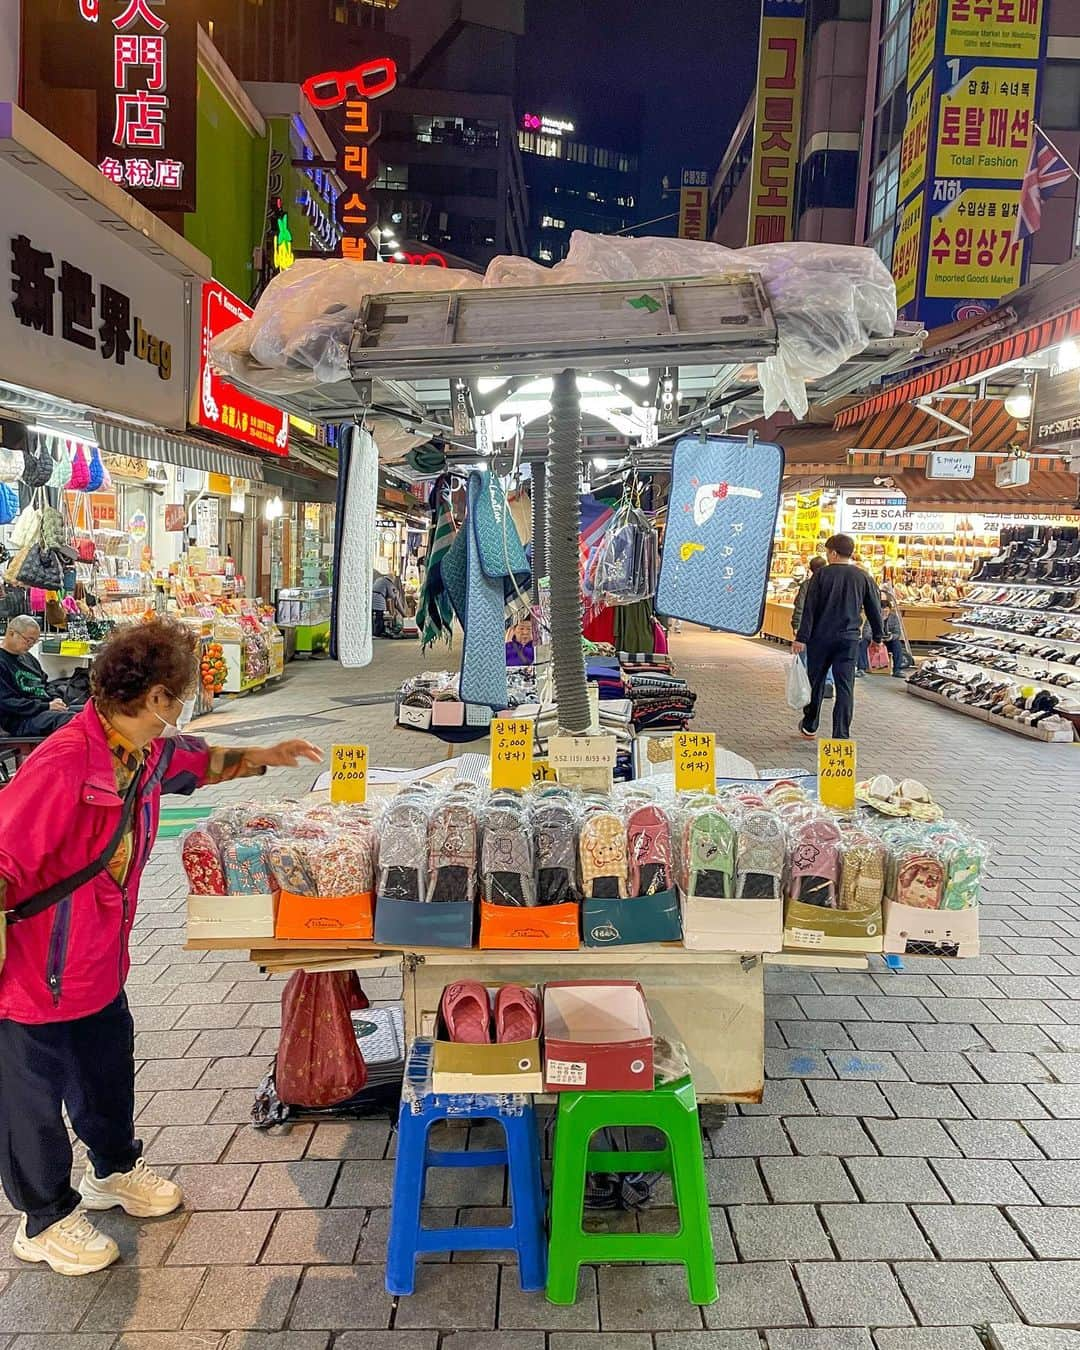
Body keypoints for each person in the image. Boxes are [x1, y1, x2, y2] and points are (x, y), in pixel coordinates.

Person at [0, 619, 323, 1276]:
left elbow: (194, 762)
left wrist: (266, 755)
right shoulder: (64, 764)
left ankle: (112, 1171)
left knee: (106, 1075)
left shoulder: (137, 750)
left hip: (97, 964)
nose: (179, 711)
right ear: (153, 697)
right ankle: (44, 1219)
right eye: (176, 696)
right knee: (31, 1101)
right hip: (36, 975)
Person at [793, 533, 884, 740]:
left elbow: (810, 609)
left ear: (833, 553)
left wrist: (801, 637)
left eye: (827, 552)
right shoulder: (863, 577)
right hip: (849, 639)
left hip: (820, 639)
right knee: (845, 687)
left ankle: (810, 724)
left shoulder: (821, 575)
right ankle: (841, 735)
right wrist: (878, 637)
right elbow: (874, 610)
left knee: (815, 682)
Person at [0, 617, 81, 738]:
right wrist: (46, 706)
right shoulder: (2, 662)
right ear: (11, 633)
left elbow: (46, 683)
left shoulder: (28, 658)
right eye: (28, 640)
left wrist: (56, 699)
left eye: (35, 642)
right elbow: (8, 702)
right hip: (22, 719)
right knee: (75, 720)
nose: (31, 645)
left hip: (45, 709)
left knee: (91, 711)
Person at [791, 557, 832, 700]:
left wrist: (797, 625)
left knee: (804, 655)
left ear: (810, 568)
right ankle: (827, 682)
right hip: (827, 627)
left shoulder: (807, 585)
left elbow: (800, 606)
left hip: (808, 627)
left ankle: (804, 683)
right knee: (827, 656)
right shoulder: (831, 584)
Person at [858, 600, 906, 678]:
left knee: (897, 644)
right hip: (873, 640)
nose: (884, 613)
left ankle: (897, 669)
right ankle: (861, 669)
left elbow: (897, 633)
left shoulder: (894, 618)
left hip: (887, 641)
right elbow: (866, 633)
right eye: (882, 611)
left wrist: (891, 637)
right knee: (862, 643)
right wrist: (876, 639)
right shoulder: (872, 617)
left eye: (886, 611)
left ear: (890, 610)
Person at [372, 570, 397, 638]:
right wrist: (395, 594)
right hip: (379, 599)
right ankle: (377, 633)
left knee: (372, 617)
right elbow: (391, 595)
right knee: (379, 617)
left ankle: (372, 631)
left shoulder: (379, 579)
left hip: (372, 597)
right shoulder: (388, 582)